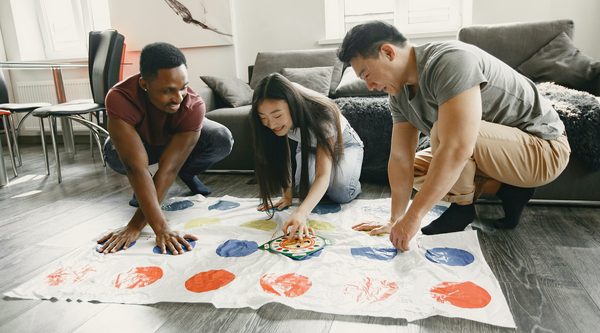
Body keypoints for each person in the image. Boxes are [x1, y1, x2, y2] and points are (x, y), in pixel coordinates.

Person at [337, 21, 570, 251]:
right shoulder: (399, 95)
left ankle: (462, 208)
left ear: (388, 52)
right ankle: (507, 190)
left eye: (366, 74)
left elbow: (457, 147)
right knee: (419, 169)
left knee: (447, 135)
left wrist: (414, 216)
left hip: (544, 149)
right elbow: (400, 158)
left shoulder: (450, 61)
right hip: (502, 154)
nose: (369, 86)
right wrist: (396, 219)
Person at [98, 42, 233, 255]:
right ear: (144, 84)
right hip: (139, 147)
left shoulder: (193, 105)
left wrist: (150, 225)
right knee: (114, 154)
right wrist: (148, 227)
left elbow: (168, 169)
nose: (178, 98)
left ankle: (187, 173)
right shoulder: (120, 98)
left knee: (221, 137)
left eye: (183, 87)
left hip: (173, 145)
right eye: (168, 90)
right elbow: (136, 167)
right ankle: (144, 191)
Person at [251, 73, 364, 240]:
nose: (271, 124)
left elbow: (322, 175)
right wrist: (287, 195)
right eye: (263, 118)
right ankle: (338, 174)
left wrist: (301, 214)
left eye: (277, 116)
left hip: (343, 144)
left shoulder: (322, 113)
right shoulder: (272, 114)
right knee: (306, 189)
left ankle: (351, 178)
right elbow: (282, 152)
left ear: (293, 105)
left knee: (340, 191)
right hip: (307, 146)